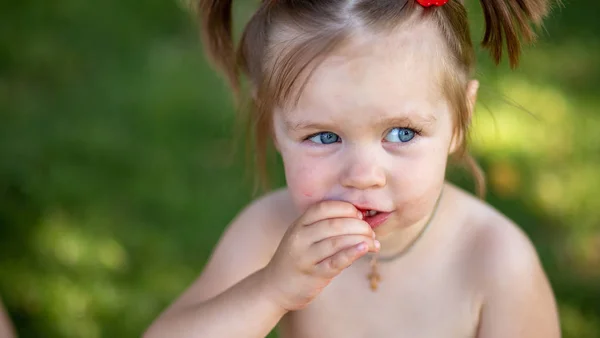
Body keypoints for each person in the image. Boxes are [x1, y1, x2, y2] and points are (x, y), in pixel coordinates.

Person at [145, 0, 561, 337]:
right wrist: (270, 290)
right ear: (273, 124)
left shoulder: (497, 263)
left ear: (460, 120)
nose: (363, 175)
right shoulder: (270, 231)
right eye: (324, 137)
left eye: (401, 133)